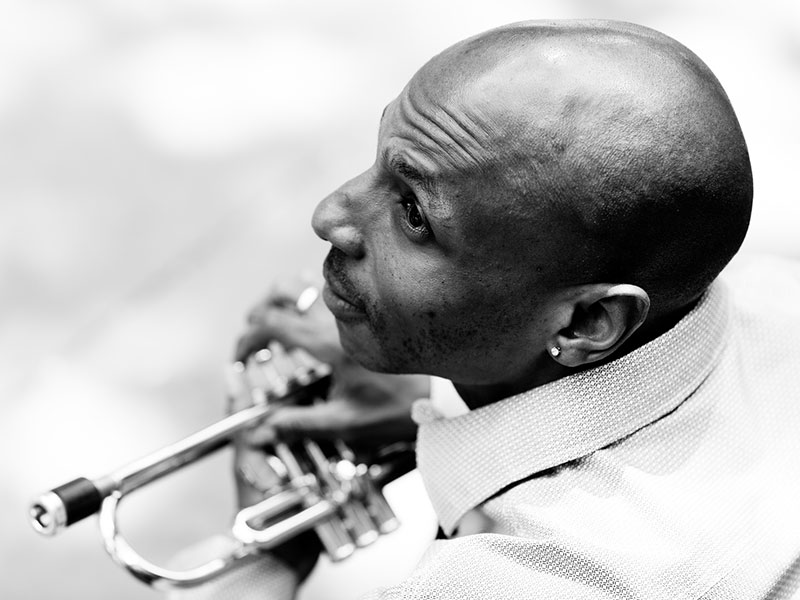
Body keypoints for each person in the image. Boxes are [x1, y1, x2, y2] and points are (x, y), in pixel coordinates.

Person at [175, 19, 800, 599]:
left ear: (587, 323)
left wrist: (262, 560)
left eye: (413, 214)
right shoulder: (776, 292)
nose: (330, 215)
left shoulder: (526, 581)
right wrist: (445, 409)